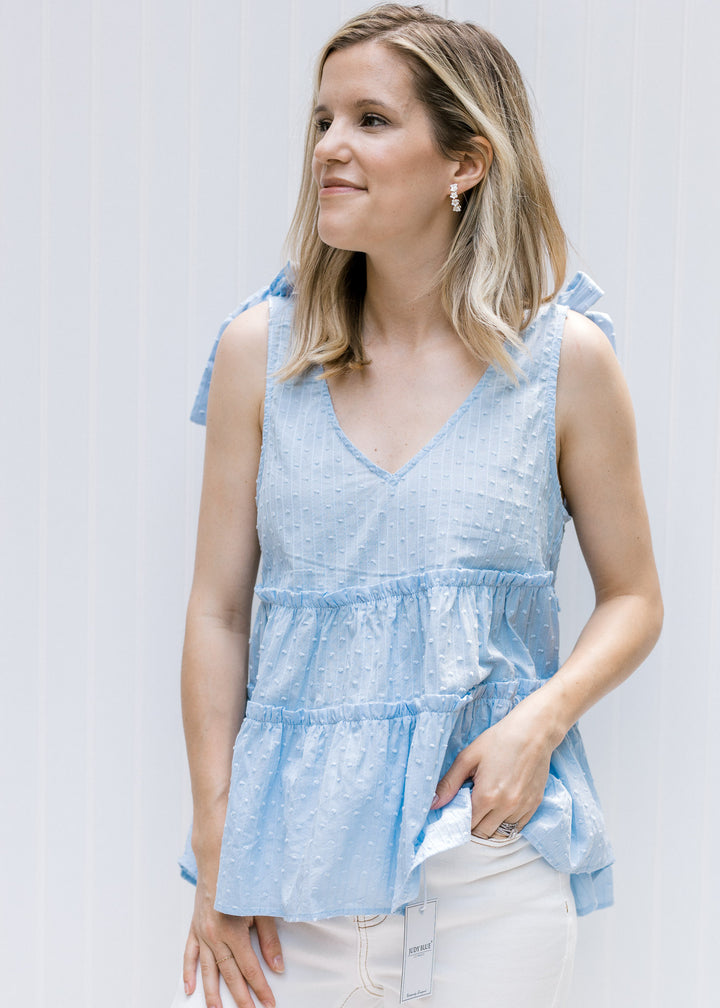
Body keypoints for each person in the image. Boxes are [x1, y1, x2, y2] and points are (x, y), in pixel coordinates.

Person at [172, 5, 663, 1006]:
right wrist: (219, 838)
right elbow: (218, 612)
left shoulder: (564, 362)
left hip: (489, 860)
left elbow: (635, 597)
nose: (329, 150)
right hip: (288, 882)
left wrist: (539, 723)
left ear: (466, 163)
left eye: (370, 121)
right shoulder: (260, 354)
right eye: (321, 121)